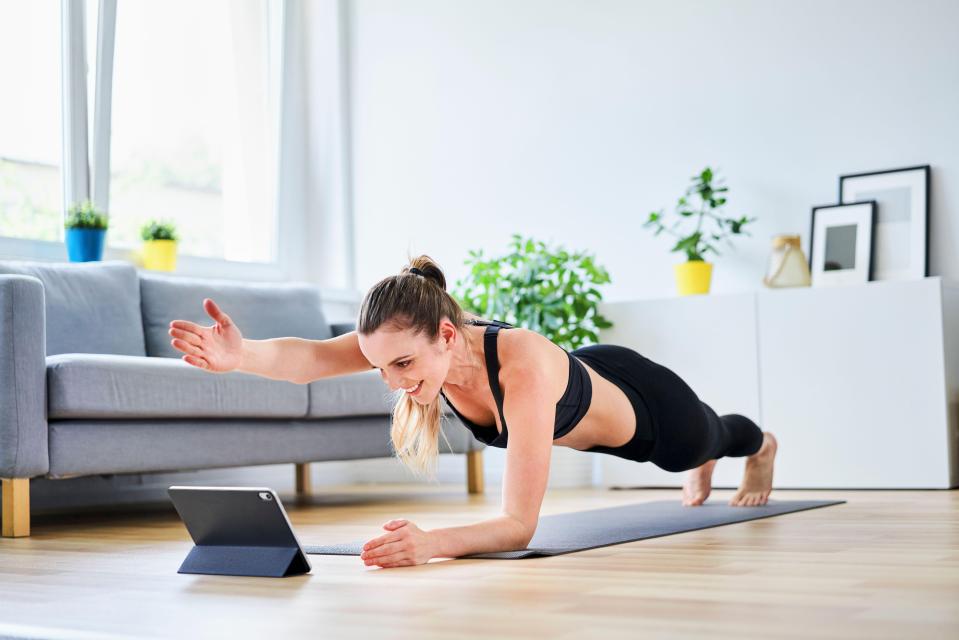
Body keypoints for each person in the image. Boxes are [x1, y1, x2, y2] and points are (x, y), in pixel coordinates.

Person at [168, 255, 777, 568]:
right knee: (701, 450)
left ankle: (761, 448)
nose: (393, 381)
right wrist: (240, 352)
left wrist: (432, 544)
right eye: (381, 367)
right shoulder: (406, 340)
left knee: (710, 438)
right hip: (585, 386)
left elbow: (519, 526)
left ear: (449, 337)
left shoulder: (523, 371)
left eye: (403, 366)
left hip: (646, 410)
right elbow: (308, 359)